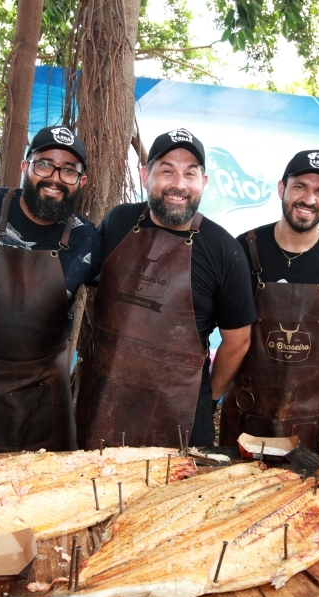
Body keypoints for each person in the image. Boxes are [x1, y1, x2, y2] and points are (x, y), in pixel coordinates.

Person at [75, 128, 256, 449]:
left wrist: (206, 400)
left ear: (204, 182)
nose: (179, 184)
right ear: (146, 175)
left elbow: (238, 341)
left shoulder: (225, 251)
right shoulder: (117, 222)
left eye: (190, 173)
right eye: (167, 171)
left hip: (180, 414)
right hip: (104, 402)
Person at [0, 126, 101, 454]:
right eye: (45, 164)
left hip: (45, 392)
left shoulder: (87, 238)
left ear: (81, 182)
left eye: (69, 170)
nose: (55, 177)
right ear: (25, 167)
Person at [218, 149, 319, 453]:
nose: (309, 199)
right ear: (281, 188)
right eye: (300, 186)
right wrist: (207, 399)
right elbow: (227, 332)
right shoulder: (243, 248)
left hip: (304, 417)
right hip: (244, 407)